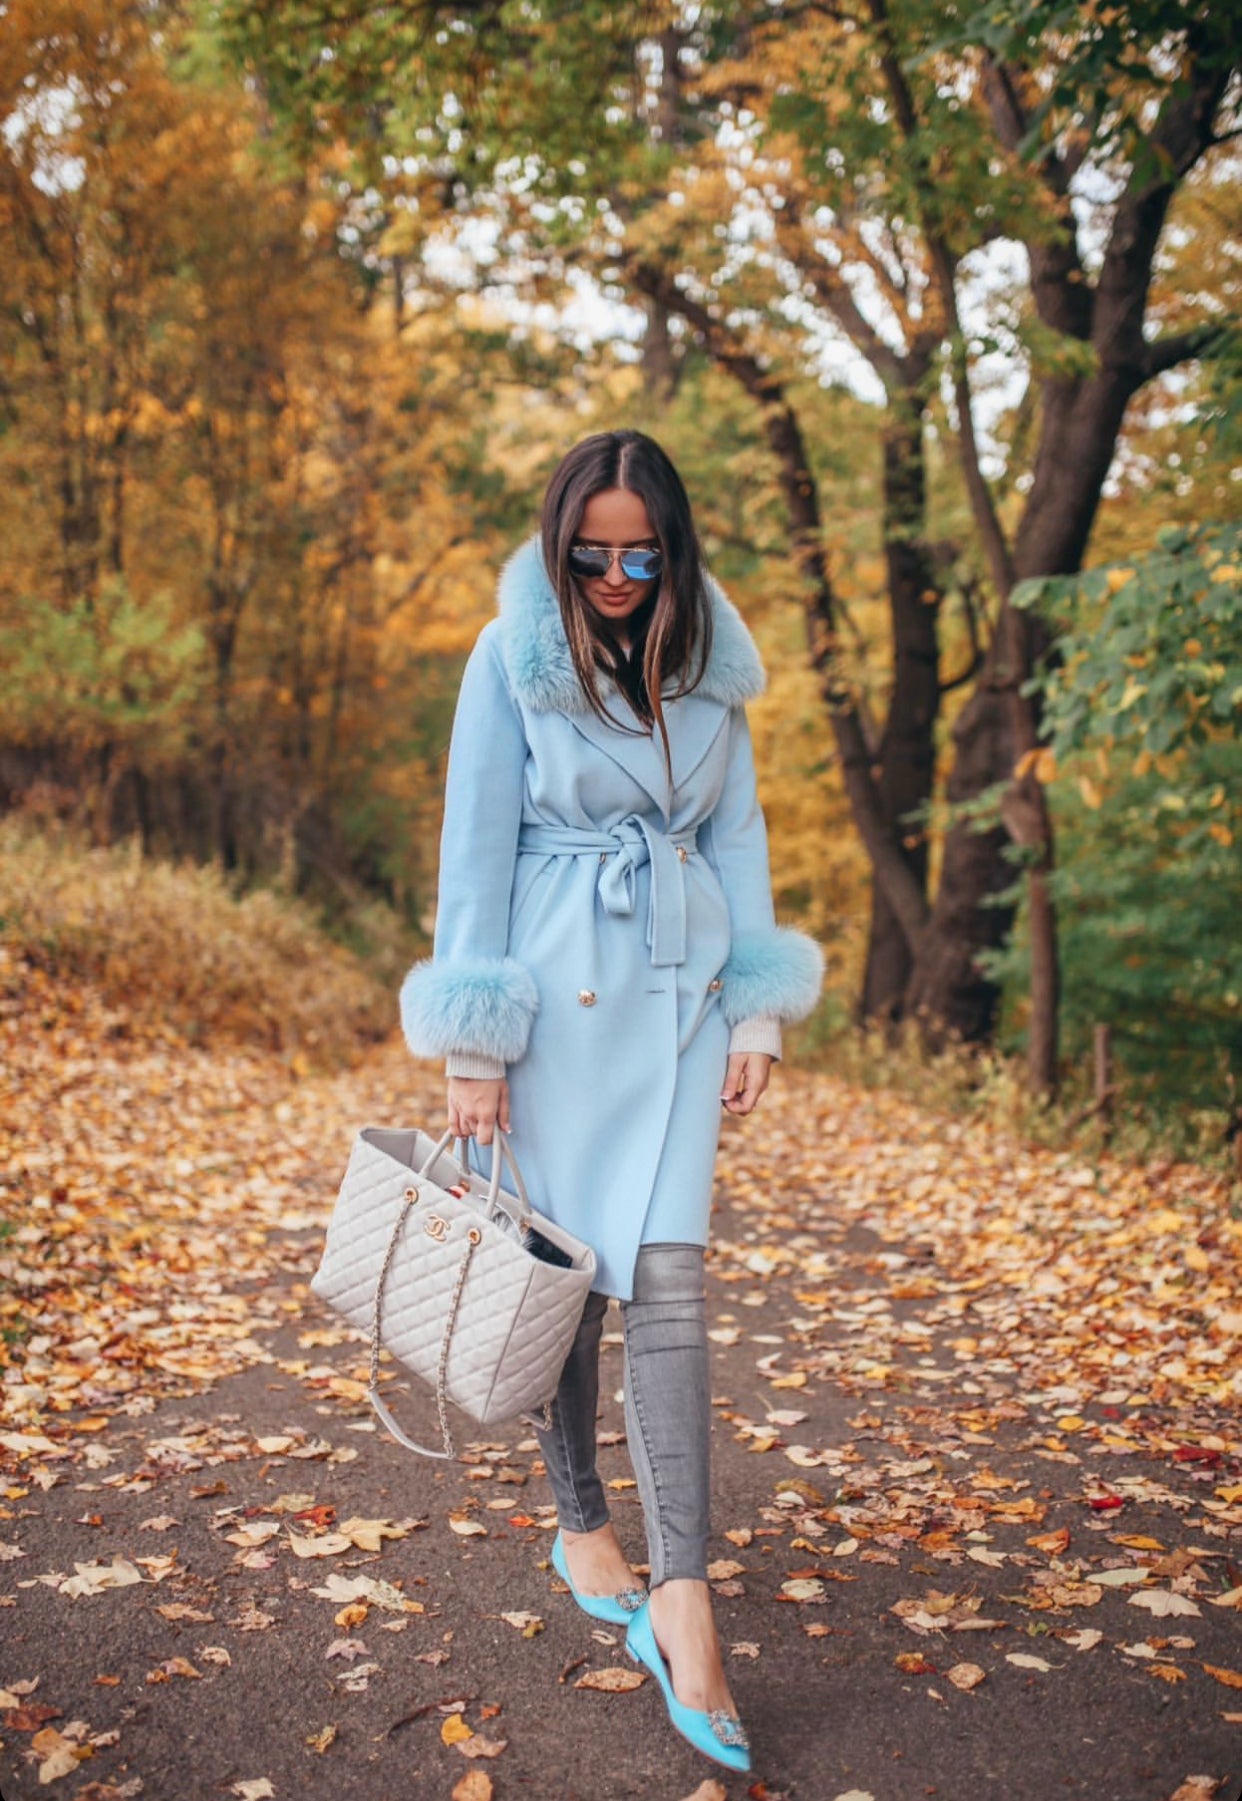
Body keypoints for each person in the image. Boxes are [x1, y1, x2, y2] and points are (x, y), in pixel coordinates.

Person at [399, 429, 823, 1773]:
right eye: (595, 553)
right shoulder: (509, 657)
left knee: (671, 1280)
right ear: (560, 543)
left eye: (644, 554)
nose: (621, 576)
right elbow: (473, 851)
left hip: (679, 991)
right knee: (568, 1277)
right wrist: (474, 1041)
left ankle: (685, 1598)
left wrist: (757, 1005)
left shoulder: (710, 662)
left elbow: (738, 832)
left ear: (674, 548)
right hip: (554, 989)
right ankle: (580, 1515)